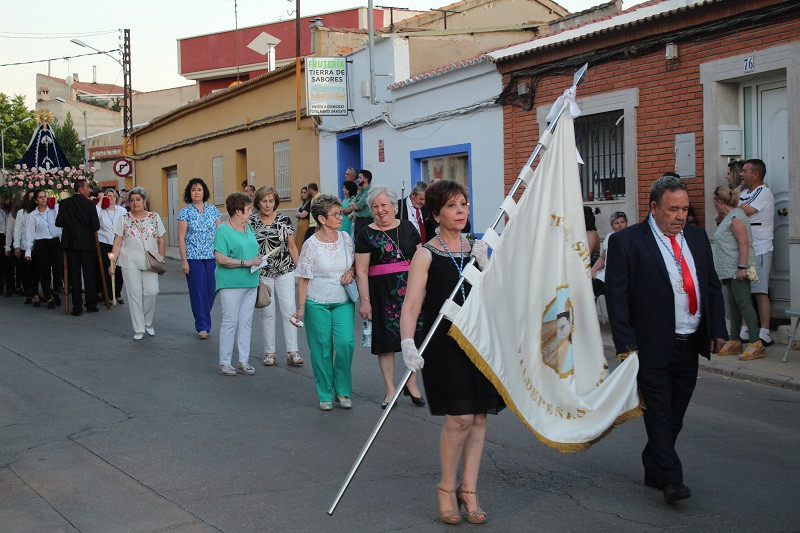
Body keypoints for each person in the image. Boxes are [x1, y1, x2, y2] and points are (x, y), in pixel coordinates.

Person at [605, 175, 727, 504]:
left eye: (685, 209)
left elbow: (711, 286)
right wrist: (626, 346)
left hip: (690, 341)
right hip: (651, 344)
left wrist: (717, 328)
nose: (681, 216)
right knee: (658, 412)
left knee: (675, 415)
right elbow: (617, 299)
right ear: (654, 207)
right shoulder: (627, 242)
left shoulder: (699, 239)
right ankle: (672, 479)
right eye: (674, 209)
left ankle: (653, 462)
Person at [399, 180, 504, 525]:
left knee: (478, 416)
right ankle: (446, 487)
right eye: (452, 206)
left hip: (479, 339)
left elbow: (498, 294)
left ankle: (469, 489)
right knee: (459, 417)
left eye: (464, 204)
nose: (461, 211)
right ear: (436, 213)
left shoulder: (478, 248)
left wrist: (487, 267)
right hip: (443, 342)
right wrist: (407, 342)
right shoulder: (425, 253)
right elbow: (412, 305)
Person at [355, 184, 425, 409]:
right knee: (386, 342)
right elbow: (362, 271)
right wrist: (365, 301)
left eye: (384, 205)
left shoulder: (408, 228)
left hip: (411, 291)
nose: (380, 210)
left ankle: (411, 383)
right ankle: (390, 389)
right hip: (381, 294)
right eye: (375, 206)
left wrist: (424, 290)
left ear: (394, 206)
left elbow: (422, 261)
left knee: (414, 338)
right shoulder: (365, 233)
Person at [293, 194, 356, 411]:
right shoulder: (311, 245)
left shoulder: (346, 238)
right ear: (321, 218)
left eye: (340, 213)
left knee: (345, 343)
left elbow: (354, 263)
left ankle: (343, 389)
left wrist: (351, 271)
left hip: (343, 300)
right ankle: (325, 392)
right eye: (336, 214)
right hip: (316, 301)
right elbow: (303, 278)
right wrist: (300, 309)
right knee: (322, 348)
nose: (340, 217)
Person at [251, 186, 302, 367]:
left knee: (289, 309)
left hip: (285, 269)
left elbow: (292, 247)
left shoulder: (284, 220)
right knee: (267, 312)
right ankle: (270, 353)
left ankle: (292, 352)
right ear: (258, 202)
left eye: (271, 201)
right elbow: (249, 247)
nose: (268, 204)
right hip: (262, 272)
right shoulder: (251, 222)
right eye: (264, 201)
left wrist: (300, 271)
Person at [711, 186, 763, 360]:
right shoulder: (727, 216)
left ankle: (755, 343)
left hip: (737, 268)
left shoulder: (736, 216)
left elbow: (744, 242)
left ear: (719, 201)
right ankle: (734, 340)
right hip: (729, 269)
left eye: (714, 201)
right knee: (733, 304)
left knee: (744, 303)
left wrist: (742, 267)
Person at [108, 187, 166, 340]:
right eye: (132, 200)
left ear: (144, 201)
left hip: (150, 262)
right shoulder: (124, 218)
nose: (135, 203)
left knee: (152, 292)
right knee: (134, 294)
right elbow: (118, 241)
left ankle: (148, 322)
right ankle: (139, 328)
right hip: (129, 261)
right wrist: (112, 262)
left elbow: (160, 240)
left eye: (138, 200)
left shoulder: (154, 217)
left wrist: (161, 258)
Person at [214, 192, 260, 376]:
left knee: (246, 322)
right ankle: (225, 362)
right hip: (231, 282)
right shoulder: (223, 230)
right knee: (230, 321)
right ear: (237, 211)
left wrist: (258, 260)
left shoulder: (248, 228)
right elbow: (220, 258)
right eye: (248, 209)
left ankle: (244, 360)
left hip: (251, 280)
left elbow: (250, 250)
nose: (251, 212)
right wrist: (245, 263)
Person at [177, 178, 222, 340]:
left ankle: (203, 316)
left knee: (211, 290)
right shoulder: (185, 213)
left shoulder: (214, 211)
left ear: (204, 192)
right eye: (193, 190)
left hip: (212, 257)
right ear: (189, 193)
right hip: (194, 258)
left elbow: (220, 234)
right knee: (198, 292)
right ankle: (202, 326)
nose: (196, 192)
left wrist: (222, 255)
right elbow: (181, 238)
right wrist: (184, 261)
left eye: (199, 190)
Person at [737, 159, 774, 346]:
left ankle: (765, 332)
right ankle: (745, 329)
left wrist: (729, 208)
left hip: (760, 248)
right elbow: (729, 200)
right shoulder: (744, 192)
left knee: (760, 292)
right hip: (745, 249)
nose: (741, 174)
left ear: (755, 174)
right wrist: (738, 187)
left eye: (744, 171)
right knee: (745, 293)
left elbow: (744, 211)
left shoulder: (764, 193)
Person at [56, 178, 101, 315]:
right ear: (80, 189)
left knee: (74, 276)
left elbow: (59, 222)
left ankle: (77, 307)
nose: (89, 190)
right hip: (87, 244)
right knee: (89, 275)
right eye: (87, 187)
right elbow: (95, 226)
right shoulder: (89, 205)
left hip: (71, 244)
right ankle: (91, 304)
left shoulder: (64, 204)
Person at [24, 189, 62, 309]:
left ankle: (55, 291)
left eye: (45, 196)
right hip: (41, 244)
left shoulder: (54, 209)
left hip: (55, 242)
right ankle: (48, 297)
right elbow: (29, 234)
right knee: (45, 271)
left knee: (57, 271)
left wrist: (55, 205)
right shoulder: (32, 216)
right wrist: (28, 251)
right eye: (40, 197)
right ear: (36, 200)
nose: (43, 199)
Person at [97, 188, 127, 305]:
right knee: (107, 270)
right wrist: (100, 202)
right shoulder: (102, 211)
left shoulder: (122, 210)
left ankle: (118, 293)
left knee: (118, 269)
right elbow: (94, 213)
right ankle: (108, 294)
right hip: (104, 242)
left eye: (113, 196)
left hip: (119, 243)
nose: (111, 198)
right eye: (108, 196)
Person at [590, 211, 627, 299]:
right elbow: (603, 257)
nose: (620, 225)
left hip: (622, 278)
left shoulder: (631, 238)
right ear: (612, 226)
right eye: (616, 223)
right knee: (588, 291)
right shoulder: (609, 237)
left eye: (622, 222)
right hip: (606, 276)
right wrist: (593, 269)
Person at [343, 169, 373, 238]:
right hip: (358, 221)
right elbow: (352, 203)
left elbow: (358, 206)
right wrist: (353, 205)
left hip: (366, 221)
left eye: (360, 178)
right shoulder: (360, 191)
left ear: (365, 180)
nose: (358, 180)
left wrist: (353, 206)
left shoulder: (368, 192)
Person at [294, 186, 311, 251]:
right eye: (302, 192)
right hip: (300, 227)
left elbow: (303, 215)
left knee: (302, 242)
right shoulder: (302, 204)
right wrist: (299, 214)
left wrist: (299, 214)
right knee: (298, 242)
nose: (302, 194)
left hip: (305, 226)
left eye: (304, 193)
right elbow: (296, 214)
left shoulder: (309, 204)